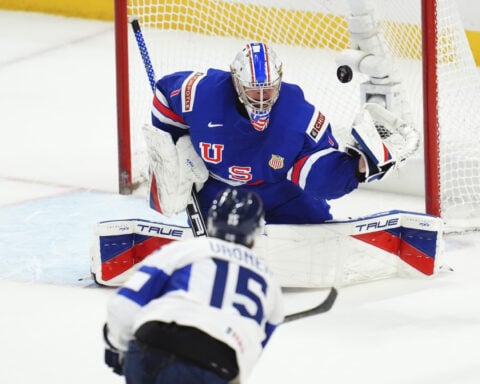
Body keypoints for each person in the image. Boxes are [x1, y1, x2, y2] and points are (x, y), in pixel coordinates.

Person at [143, 41, 416, 224]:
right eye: (253, 90)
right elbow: (165, 95)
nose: (261, 99)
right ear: (236, 82)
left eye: (268, 90)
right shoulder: (203, 93)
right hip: (219, 189)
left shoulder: (298, 112)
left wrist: (358, 168)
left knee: (316, 227)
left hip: (278, 190)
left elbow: (318, 171)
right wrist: (173, 144)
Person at [103, 188, 284, 384]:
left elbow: (125, 304)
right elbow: (252, 352)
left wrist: (118, 346)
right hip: (214, 365)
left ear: (211, 221)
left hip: (152, 344)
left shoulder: (186, 250)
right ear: (256, 233)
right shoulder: (269, 282)